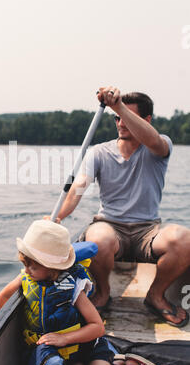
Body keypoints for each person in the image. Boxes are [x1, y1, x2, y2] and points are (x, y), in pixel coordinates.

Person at [51, 86, 190, 327]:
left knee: (184, 239)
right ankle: (103, 293)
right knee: (98, 240)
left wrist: (119, 107)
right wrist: (57, 218)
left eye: (126, 117)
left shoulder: (159, 147)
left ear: (146, 120)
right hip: (110, 227)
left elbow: (153, 139)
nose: (120, 122)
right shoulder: (99, 153)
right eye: (117, 117)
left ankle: (155, 296)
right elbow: (79, 187)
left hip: (148, 231)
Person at [0, 219, 163, 365]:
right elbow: (4, 295)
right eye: (25, 264)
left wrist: (64, 339)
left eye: (33, 266)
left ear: (52, 268)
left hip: (88, 346)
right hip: (56, 352)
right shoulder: (26, 276)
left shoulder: (73, 288)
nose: (27, 271)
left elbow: (97, 327)